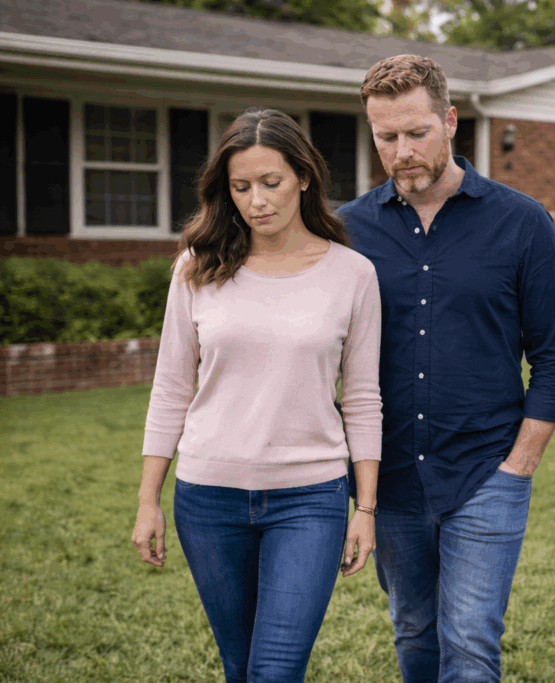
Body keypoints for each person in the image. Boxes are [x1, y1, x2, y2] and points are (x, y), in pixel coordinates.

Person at [337, 55, 555, 683]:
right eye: (386, 137)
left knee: (470, 643)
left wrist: (517, 467)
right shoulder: (348, 230)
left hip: (486, 473)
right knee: (414, 630)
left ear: (449, 122)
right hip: (387, 480)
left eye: (416, 133)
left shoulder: (520, 221)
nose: (402, 151)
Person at [131, 108, 382, 683]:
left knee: (274, 670)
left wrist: (364, 509)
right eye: (240, 187)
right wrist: (149, 498)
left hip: (309, 500)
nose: (256, 201)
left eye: (270, 183)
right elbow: (171, 388)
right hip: (208, 499)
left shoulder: (352, 274)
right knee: (239, 666)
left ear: (303, 177)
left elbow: (364, 398)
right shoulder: (197, 268)